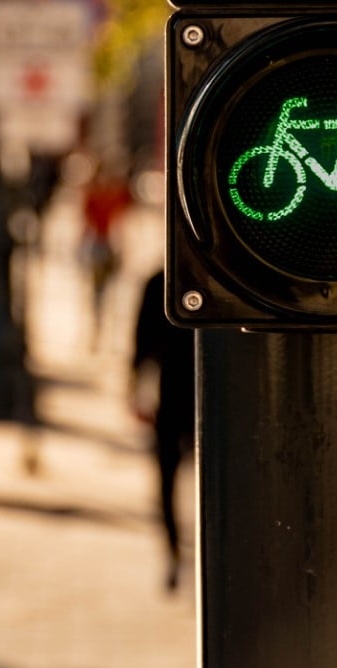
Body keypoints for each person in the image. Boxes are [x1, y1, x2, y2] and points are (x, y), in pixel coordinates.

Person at [131, 269, 195, 592]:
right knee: (178, 476)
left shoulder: (158, 281)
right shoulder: (161, 281)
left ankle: (174, 550)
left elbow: (140, 345)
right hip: (195, 392)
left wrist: (135, 389)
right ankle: (177, 548)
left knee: (167, 477)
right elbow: (140, 343)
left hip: (172, 390)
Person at [81, 162, 133, 348]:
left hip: (109, 246)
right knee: (99, 290)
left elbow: (123, 222)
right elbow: (86, 224)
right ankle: (98, 328)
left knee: (110, 288)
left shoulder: (115, 195)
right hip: (99, 246)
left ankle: (106, 328)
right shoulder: (94, 195)